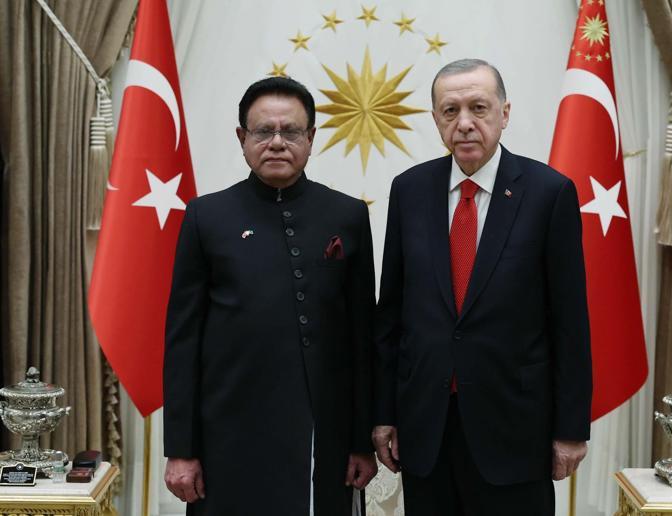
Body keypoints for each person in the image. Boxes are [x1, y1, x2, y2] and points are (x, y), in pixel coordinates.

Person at [372, 59, 592, 515]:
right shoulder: (409, 190)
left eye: (479, 107)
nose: (465, 123)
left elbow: (570, 322)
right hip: (426, 428)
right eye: (450, 111)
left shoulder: (549, 193)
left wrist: (571, 429)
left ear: (504, 113)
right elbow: (391, 313)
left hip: (514, 429)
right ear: (436, 120)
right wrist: (384, 414)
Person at [163, 76, 377, 515]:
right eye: (263, 131)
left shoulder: (348, 215)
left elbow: (363, 340)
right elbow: (183, 342)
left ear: (311, 138)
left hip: (322, 437)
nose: (277, 143)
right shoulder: (206, 216)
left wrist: (361, 441)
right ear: (242, 138)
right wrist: (181, 450)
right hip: (227, 434)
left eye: (291, 131)